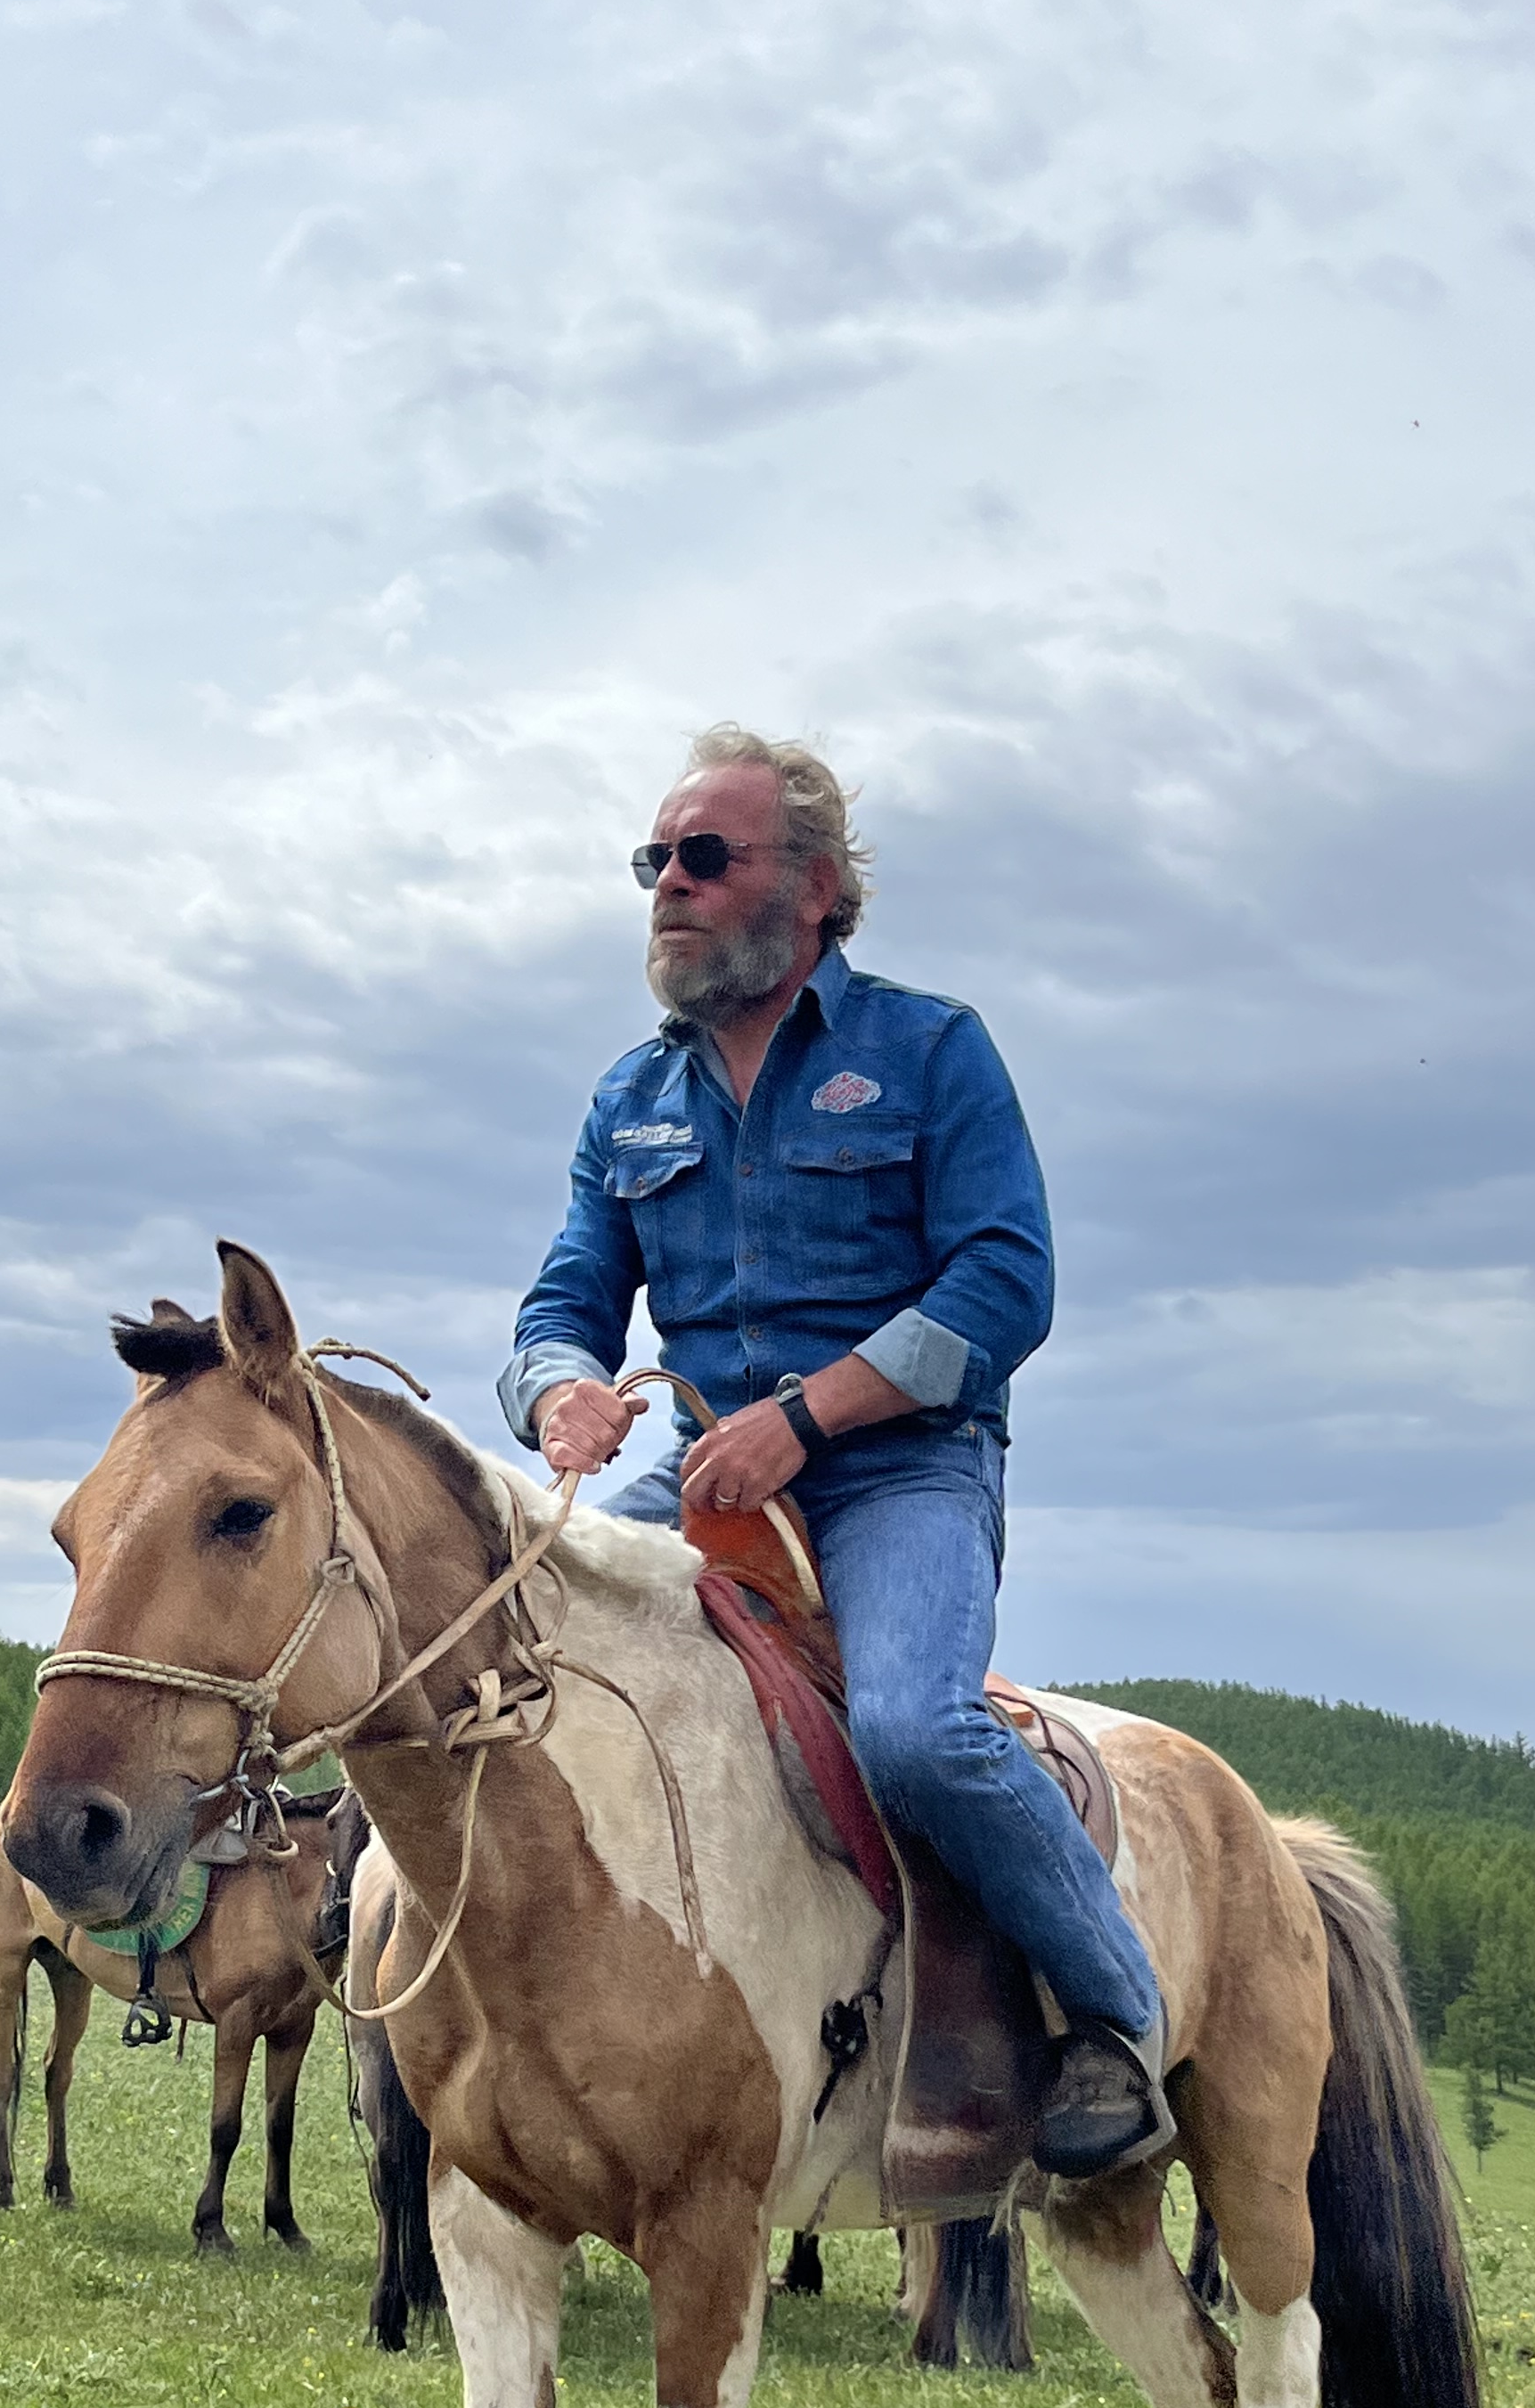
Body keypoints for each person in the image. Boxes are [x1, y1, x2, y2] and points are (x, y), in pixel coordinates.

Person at [498, 722, 1168, 2178]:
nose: (667, 884)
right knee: (510, 1667)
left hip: (899, 1471)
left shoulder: (929, 1050)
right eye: (653, 859)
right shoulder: (630, 1099)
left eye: (704, 856)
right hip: (700, 1472)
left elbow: (1005, 1285)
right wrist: (560, 1394)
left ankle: (1119, 2019)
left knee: (917, 1732)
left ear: (813, 891)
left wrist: (805, 1418)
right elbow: (564, 1304)